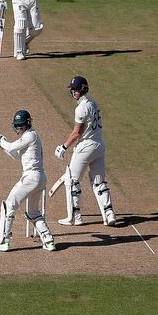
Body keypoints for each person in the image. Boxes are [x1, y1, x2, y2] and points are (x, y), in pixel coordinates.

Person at [0, 110, 56, 252]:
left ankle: (4, 241)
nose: (19, 129)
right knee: (32, 212)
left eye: (21, 126)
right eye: (17, 126)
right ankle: (48, 241)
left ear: (28, 123)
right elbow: (17, 156)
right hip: (39, 179)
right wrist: (0, 145)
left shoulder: (30, 135)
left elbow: (11, 146)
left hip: (31, 178)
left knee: (8, 206)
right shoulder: (29, 138)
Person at [54, 76, 118, 226]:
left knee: (72, 180)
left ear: (82, 89)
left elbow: (77, 132)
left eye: (75, 89)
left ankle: (74, 217)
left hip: (86, 147)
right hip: (99, 146)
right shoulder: (93, 103)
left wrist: (63, 147)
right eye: (72, 89)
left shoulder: (81, 108)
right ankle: (109, 214)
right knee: (99, 182)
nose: (73, 92)